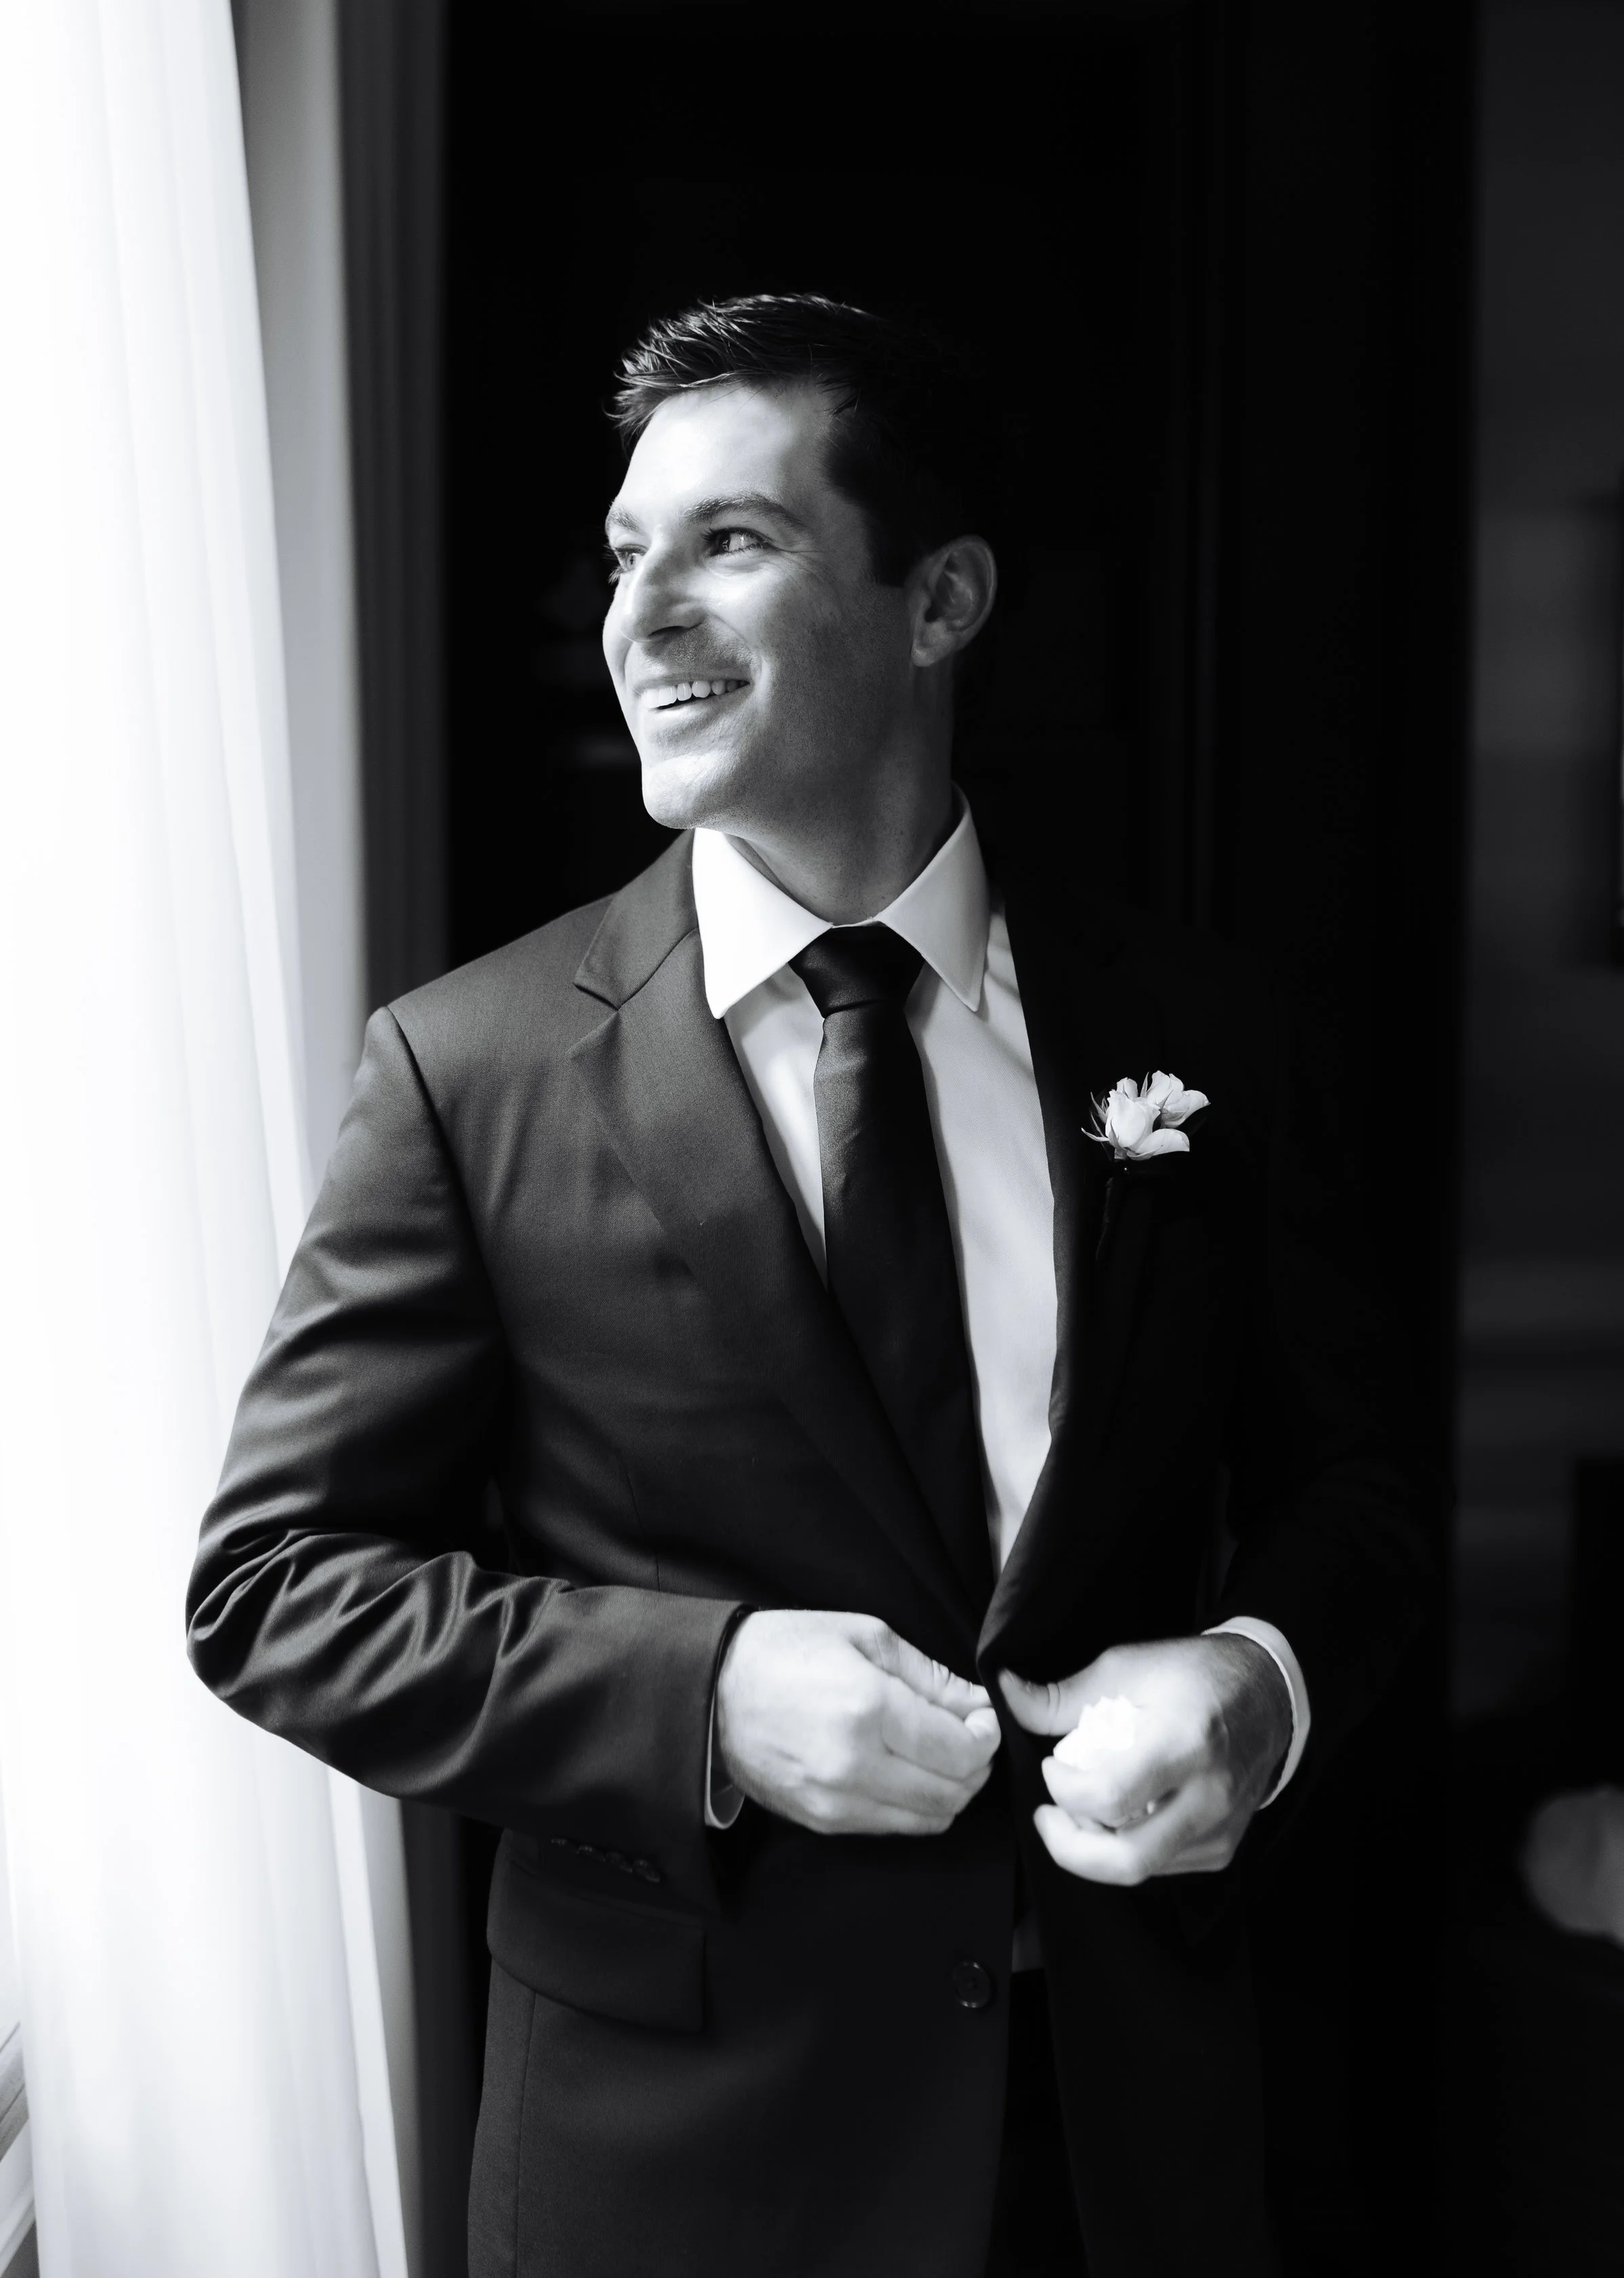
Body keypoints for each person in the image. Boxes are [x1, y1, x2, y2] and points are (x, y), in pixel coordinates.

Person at [187, 293, 1436, 2278]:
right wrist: (704, 1691)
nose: (643, 613)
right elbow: (274, 1588)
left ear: (937, 602)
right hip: (676, 2170)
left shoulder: (1203, 1027)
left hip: (1122, 2140)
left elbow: (1361, 1494)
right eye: (624, 556)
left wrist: (1257, 1685)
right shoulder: (470, 1065)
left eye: (730, 541)